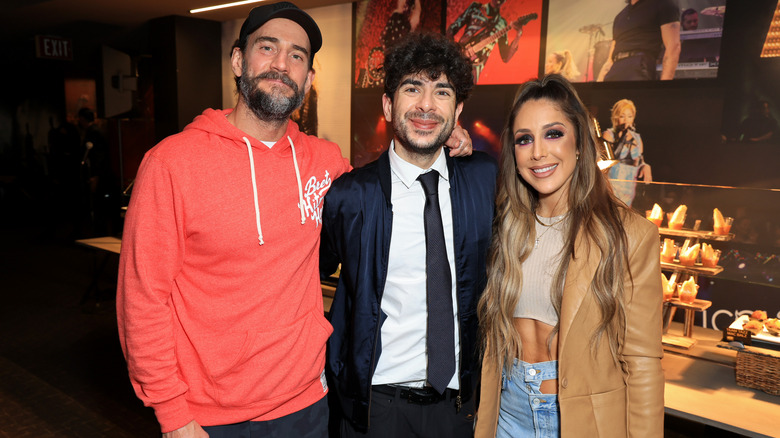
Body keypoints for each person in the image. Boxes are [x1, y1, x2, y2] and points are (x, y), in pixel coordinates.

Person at [117, 3, 473, 437]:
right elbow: (142, 302)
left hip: (307, 404)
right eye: (268, 48)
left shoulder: (325, 164)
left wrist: (437, 134)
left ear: (308, 78)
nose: (282, 64)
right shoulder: (172, 164)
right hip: (209, 417)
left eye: (298, 56)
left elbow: (386, 180)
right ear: (237, 60)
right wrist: (173, 414)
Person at [321, 32, 497, 438]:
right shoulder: (350, 195)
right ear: (388, 104)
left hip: (459, 408)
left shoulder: (484, 179)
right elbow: (309, 272)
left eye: (442, 92)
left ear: (458, 110)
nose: (426, 105)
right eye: (412, 88)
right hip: (374, 409)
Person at [474, 74, 664, 437]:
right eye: (524, 139)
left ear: (579, 143)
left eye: (553, 133)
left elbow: (642, 364)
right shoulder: (506, 228)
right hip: (508, 411)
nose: (538, 152)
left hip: (581, 420)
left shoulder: (630, 236)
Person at [446, 0, 536, 83]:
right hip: (457, 59)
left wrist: (518, 35)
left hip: (474, 71)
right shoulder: (475, 7)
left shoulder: (502, 23)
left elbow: (506, 57)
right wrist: (455, 51)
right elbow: (451, 29)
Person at [597, 0, 681, 81]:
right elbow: (610, 59)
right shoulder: (620, 17)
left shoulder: (663, 4)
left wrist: (664, 88)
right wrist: (598, 86)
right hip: (616, 67)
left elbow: (673, 47)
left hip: (639, 64)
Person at [603, 98, 652, 206]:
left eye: (629, 116)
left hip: (630, 185)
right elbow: (605, 161)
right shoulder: (609, 135)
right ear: (616, 117)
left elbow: (640, 160)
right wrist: (623, 136)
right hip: (613, 184)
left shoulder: (637, 138)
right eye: (622, 116)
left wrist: (645, 166)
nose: (626, 120)